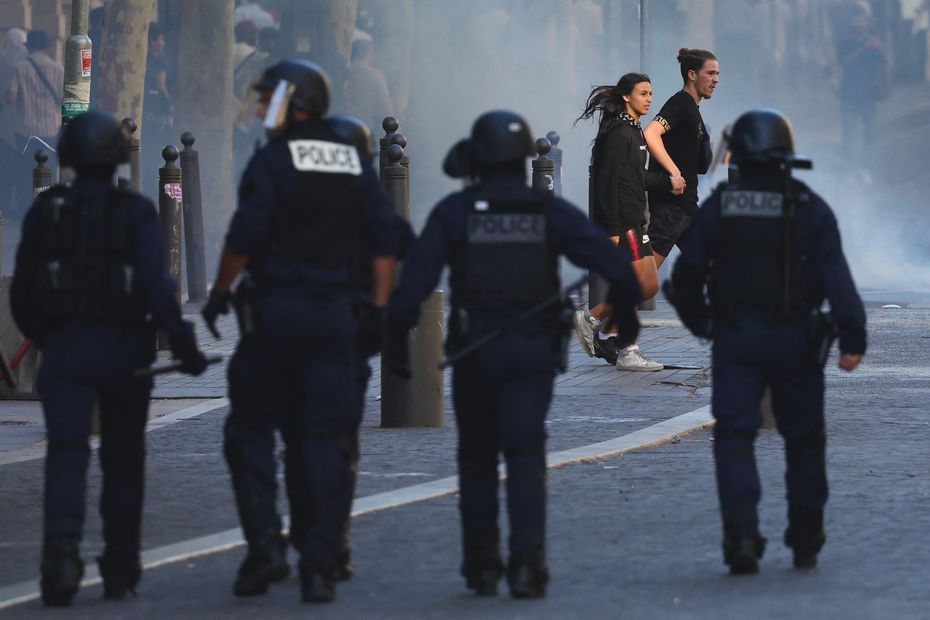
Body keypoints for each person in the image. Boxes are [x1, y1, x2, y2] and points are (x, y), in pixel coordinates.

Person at [385, 110, 643, 599]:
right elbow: (613, 262)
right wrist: (626, 319)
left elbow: (413, 284)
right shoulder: (546, 211)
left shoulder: (456, 212)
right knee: (525, 454)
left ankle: (482, 567)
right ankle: (527, 567)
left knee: (478, 457)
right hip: (531, 353)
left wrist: (397, 347)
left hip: (476, 352)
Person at [200, 59, 398, 604]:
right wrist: (377, 311)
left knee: (250, 431)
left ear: (293, 100)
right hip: (337, 318)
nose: (261, 109)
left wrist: (219, 293)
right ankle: (319, 563)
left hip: (276, 317)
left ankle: (265, 547)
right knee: (324, 439)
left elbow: (244, 233)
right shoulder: (353, 163)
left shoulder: (272, 159)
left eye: (267, 99)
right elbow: (386, 238)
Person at [10, 111, 208, 607]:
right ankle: (120, 563)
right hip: (126, 356)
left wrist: (47, 339)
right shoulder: (135, 212)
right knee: (123, 460)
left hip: (65, 352)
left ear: (70, 157)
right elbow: (160, 289)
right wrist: (184, 346)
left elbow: (24, 291)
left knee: (67, 454)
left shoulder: (47, 210)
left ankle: (59, 557)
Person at [664, 109, 866, 575]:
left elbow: (686, 279)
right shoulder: (808, 206)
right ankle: (806, 539)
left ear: (739, 154)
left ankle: (741, 539)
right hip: (797, 341)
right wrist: (853, 339)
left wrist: (706, 327)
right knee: (804, 441)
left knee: (734, 437)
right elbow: (838, 281)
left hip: (735, 340)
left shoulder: (720, 206)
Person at [573, 72, 676, 371]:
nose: (649, 99)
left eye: (651, 94)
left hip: (636, 220)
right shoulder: (619, 133)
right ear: (626, 97)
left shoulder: (634, 131)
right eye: (643, 93)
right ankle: (626, 348)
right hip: (623, 224)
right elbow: (607, 182)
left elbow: (636, 177)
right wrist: (610, 230)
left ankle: (591, 318)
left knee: (649, 285)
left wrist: (669, 182)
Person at [643, 47, 719, 270]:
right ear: (692, 75)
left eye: (717, 74)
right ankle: (596, 307)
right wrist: (674, 173)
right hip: (671, 210)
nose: (715, 80)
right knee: (638, 285)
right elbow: (650, 133)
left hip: (686, 208)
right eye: (710, 73)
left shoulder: (692, 109)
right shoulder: (680, 104)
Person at [6, 29, 63, 217]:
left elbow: (11, 98)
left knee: (25, 171)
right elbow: (64, 100)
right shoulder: (58, 68)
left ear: (28, 46)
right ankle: (47, 207)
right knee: (50, 170)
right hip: (50, 129)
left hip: (26, 130)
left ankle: (26, 209)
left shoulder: (20, 67)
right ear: (46, 47)